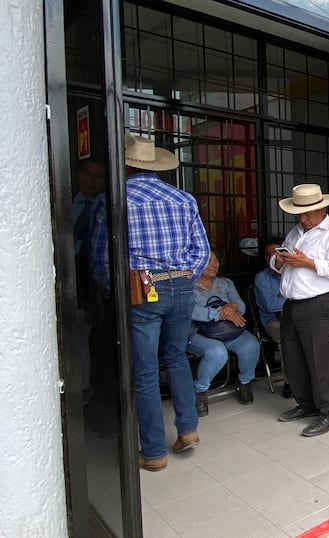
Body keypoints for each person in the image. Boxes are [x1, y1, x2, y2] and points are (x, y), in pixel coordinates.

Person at [91, 134, 210, 472]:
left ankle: (155, 451)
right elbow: (200, 251)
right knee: (176, 358)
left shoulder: (113, 199)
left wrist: (110, 288)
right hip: (182, 286)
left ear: (126, 164)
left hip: (140, 289)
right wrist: (184, 278)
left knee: (144, 370)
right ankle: (187, 430)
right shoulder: (183, 198)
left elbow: (102, 258)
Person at [271, 184, 329, 437]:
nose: (302, 218)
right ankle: (306, 404)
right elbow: (277, 266)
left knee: (320, 361)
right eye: (299, 213)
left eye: (306, 213)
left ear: (322, 209)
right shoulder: (296, 232)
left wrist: (307, 262)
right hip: (292, 302)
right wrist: (279, 259)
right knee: (293, 358)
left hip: (319, 303)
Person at [255, 237, 329, 398]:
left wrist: (290, 296)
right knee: (290, 336)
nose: (272, 257)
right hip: (274, 321)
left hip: (305, 317)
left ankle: (320, 371)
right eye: (267, 254)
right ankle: (291, 382)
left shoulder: (296, 271)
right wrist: (294, 296)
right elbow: (270, 305)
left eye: (275, 253)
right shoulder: (262, 278)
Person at [188, 250, 260, 416]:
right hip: (197, 332)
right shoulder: (187, 285)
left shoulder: (225, 283)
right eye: (209, 261)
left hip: (224, 330)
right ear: (196, 264)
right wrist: (222, 312)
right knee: (217, 352)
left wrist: (233, 307)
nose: (215, 264)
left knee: (251, 345)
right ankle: (200, 391)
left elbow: (241, 306)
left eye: (216, 260)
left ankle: (245, 382)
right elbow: (192, 312)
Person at [72, 159, 106, 403]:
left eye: (98, 176)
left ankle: (87, 389)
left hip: (91, 279)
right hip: (66, 272)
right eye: (87, 174)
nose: (91, 180)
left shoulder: (104, 206)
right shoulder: (65, 200)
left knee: (88, 333)